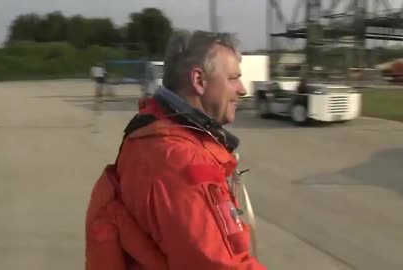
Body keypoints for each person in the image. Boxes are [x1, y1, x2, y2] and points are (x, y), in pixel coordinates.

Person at [85, 30, 267, 270]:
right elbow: (218, 264)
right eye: (233, 78)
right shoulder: (181, 162)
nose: (242, 89)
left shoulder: (151, 132)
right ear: (199, 81)